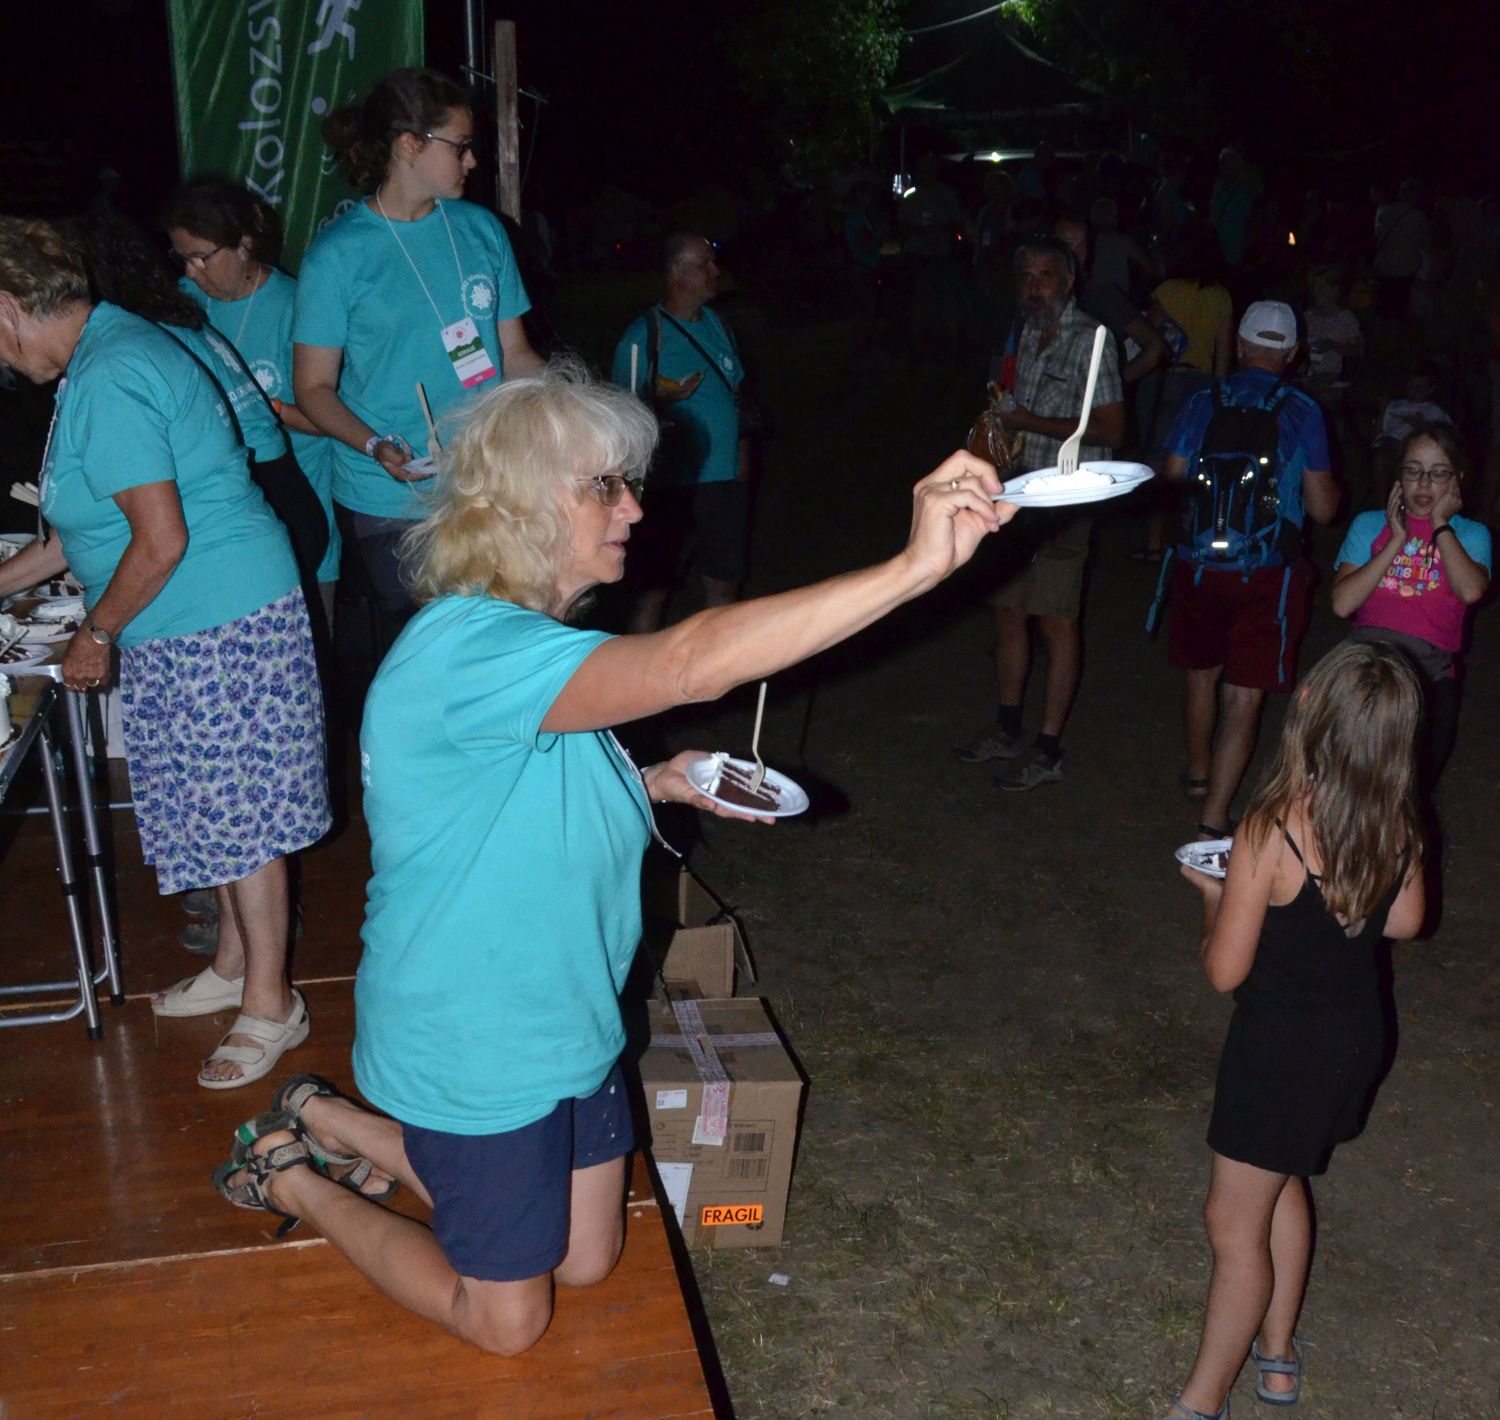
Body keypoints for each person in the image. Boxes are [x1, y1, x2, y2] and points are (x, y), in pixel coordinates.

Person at [209, 361, 1018, 1355]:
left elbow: (513, 808)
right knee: (510, 1319)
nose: (636, 506)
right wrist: (912, 568)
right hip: (478, 1038)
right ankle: (290, 1172)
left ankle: (333, 1121)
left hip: (563, 1018)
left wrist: (662, 780)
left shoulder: (525, 645)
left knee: (587, 1257)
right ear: (523, 506)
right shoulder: (472, 653)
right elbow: (687, 660)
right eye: (607, 484)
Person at [0, 217, 329, 1089]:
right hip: (188, 620)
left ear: (9, 308)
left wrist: (95, 634)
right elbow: (85, 528)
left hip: (217, 617)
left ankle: (272, 1002)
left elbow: (160, 540)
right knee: (209, 807)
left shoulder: (109, 376)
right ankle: (231, 964)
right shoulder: (101, 355)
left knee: (243, 815)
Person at [1167, 640, 1426, 1420]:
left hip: (1280, 1052)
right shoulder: (1397, 822)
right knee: (1280, 1182)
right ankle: (1277, 1356)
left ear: (1308, 711)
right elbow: (1409, 923)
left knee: (1232, 1224)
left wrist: (1212, 895)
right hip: (1353, 1043)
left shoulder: (1272, 827)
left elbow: (1223, 972)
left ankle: (1201, 1402)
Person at [293, 67, 543, 655]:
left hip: (486, 482)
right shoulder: (337, 257)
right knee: (440, 650)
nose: (472, 161)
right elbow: (314, 388)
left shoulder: (483, 231)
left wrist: (569, 406)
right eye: (461, 146)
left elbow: (515, 353)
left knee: (497, 643)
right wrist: (374, 443)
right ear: (409, 145)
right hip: (391, 500)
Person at [1158, 300, 1339, 838]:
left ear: (1239, 345)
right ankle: (1214, 816)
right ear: (1293, 353)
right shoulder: (1304, 411)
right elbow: (1326, 508)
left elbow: (1170, 472)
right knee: (1244, 693)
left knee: (1201, 675)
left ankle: (1196, 770)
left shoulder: (1202, 401)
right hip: (1265, 571)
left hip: (1197, 564)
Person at [955, 235, 1125, 790]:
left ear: (1069, 281)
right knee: (1007, 611)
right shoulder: (1028, 330)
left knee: (1057, 620)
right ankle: (1007, 726)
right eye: (1026, 276)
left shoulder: (1093, 340)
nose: (1032, 287)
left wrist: (1026, 421)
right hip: (1017, 495)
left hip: (1067, 499)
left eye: (1044, 276)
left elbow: (1111, 428)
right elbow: (1015, 412)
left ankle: (1048, 748)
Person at [164, 177, 341, 629]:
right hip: (219, 529)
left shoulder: (297, 306)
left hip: (297, 520)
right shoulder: (184, 305)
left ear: (244, 244)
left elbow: (332, 421)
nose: (191, 273)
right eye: (183, 259)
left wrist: (266, 407)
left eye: (201, 258)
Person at [1331, 423, 1491, 786]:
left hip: (1429, 671)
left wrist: (1439, 525)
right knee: (1348, 779)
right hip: (1365, 662)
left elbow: (1471, 591)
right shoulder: (1370, 525)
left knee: (1410, 786)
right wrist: (1395, 540)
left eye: (1438, 474)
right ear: (1397, 476)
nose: (1423, 484)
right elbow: (1342, 604)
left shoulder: (1470, 535)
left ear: (1457, 480)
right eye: (1413, 471)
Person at [612, 234, 748, 629]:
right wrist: (656, 398)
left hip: (723, 483)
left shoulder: (719, 327)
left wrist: (742, 466)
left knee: (724, 588)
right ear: (677, 272)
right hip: (669, 486)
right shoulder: (644, 335)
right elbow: (619, 417)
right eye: (704, 264)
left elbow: (736, 401)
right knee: (652, 593)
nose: (715, 271)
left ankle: (718, 680)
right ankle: (641, 683)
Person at [1133, 222, 1234, 561]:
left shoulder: (1169, 290)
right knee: (1195, 459)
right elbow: (1223, 353)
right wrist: (1218, 394)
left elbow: (1144, 333)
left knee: (1158, 461)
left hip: (1167, 381)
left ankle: (1153, 542)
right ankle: (1193, 532)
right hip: (1202, 384)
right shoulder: (1220, 296)